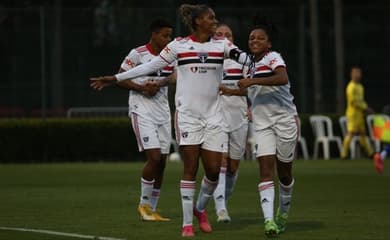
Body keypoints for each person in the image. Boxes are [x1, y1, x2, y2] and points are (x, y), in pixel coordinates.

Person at [90, 4, 253, 237]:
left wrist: (256, 64)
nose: (215, 21)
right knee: (189, 168)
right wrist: (114, 78)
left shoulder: (222, 45)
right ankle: (187, 225)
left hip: (214, 116)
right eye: (211, 18)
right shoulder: (179, 45)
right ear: (198, 21)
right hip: (187, 117)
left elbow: (243, 58)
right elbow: (148, 66)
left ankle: (199, 210)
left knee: (215, 171)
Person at [93, 19, 174, 221]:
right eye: (165, 35)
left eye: (170, 36)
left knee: (162, 162)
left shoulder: (170, 55)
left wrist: (160, 82)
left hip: (163, 111)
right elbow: (121, 77)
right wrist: (142, 88)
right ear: (154, 34)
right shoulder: (137, 53)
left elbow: (174, 76)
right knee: (154, 158)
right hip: (141, 110)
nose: (168, 39)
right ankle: (143, 206)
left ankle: (152, 209)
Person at [237, 17, 298, 237]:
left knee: (284, 174)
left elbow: (281, 78)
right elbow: (249, 90)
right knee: (265, 171)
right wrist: (231, 91)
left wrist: (252, 82)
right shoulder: (249, 65)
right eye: (252, 37)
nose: (255, 40)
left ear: (268, 43)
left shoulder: (274, 57)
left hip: (284, 121)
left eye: (260, 38)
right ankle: (269, 221)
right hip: (262, 126)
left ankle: (283, 212)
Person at [212, 23, 248, 223]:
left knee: (233, 166)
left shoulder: (242, 60)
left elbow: (250, 88)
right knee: (222, 161)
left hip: (238, 117)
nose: (224, 38)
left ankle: (222, 200)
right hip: (216, 117)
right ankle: (221, 209)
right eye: (219, 34)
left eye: (228, 34)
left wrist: (231, 91)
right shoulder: (208, 60)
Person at [341, 66, 375, 159]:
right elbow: (353, 101)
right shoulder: (350, 87)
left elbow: (361, 100)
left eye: (359, 73)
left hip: (360, 114)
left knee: (362, 133)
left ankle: (370, 153)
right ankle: (344, 154)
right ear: (352, 75)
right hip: (352, 114)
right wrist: (365, 108)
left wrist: (366, 107)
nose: (357, 75)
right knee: (351, 133)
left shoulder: (360, 87)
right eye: (355, 73)